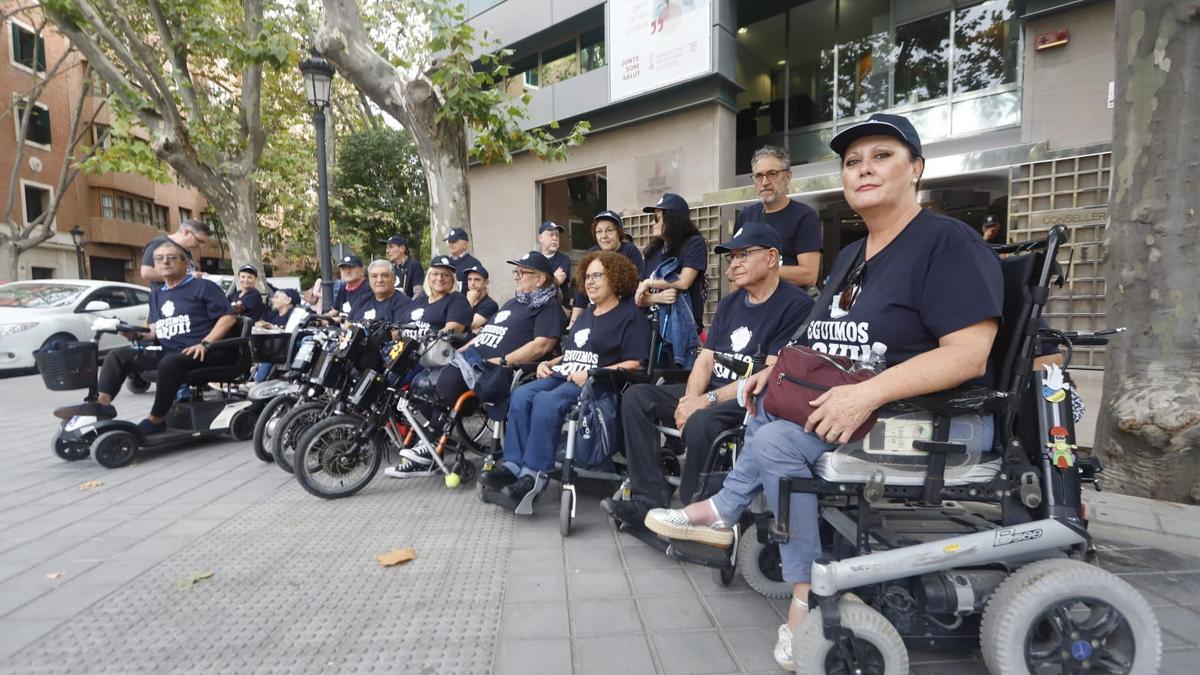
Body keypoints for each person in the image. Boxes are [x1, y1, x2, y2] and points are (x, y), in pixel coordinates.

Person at [642, 112, 1003, 671]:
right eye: (853, 162)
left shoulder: (945, 243)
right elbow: (815, 336)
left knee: (775, 444)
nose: (864, 169)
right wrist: (775, 369)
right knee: (765, 404)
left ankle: (801, 595)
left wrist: (867, 394)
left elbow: (968, 354)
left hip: (922, 417)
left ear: (918, 170)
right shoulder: (852, 256)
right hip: (851, 404)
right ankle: (728, 511)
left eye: (882, 156)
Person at [602, 222, 814, 527]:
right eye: (733, 257)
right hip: (711, 389)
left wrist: (704, 401)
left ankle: (693, 510)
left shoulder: (796, 305)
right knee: (636, 397)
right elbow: (706, 358)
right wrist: (690, 398)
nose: (735, 263)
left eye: (744, 254)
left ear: (771, 257)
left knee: (702, 420)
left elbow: (769, 373)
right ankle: (647, 498)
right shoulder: (730, 303)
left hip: (749, 398)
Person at [482, 251, 649, 507]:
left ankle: (532, 475)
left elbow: (635, 363)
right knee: (521, 394)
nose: (590, 282)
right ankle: (514, 465)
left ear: (615, 278)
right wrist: (549, 362)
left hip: (597, 384)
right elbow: (573, 353)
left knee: (547, 402)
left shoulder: (631, 316)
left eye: (597, 276)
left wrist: (592, 373)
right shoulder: (587, 315)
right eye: (588, 276)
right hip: (565, 374)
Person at [56, 241, 239, 434]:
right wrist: (135, 335)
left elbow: (228, 319)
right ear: (155, 266)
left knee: (170, 362)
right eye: (159, 259)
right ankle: (101, 406)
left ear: (186, 264)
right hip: (171, 352)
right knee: (118, 356)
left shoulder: (203, 287)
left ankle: (156, 419)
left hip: (207, 352)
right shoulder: (156, 294)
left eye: (172, 258)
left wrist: (205, 343)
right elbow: (154, 332)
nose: (165, 262)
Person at [384, 256, 475, 478]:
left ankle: (429, 446)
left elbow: (453, 328)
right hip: (410, 356)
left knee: (419, 384)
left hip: (439, 359)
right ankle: (410, 442)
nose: (440, 278)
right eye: (435, 273)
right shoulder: (419, 301)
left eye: (445, 275)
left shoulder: (457, 301)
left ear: (452, 279)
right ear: (428, 277)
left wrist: (439, 333)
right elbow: (402, 325)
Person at [736, 145, 822, 287]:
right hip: (749, 303)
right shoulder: (745, 216)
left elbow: (809, 275)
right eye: (758, 176)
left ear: (787, 177)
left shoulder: (805, 217)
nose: (764, 182)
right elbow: (736, 269)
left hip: (788, 305)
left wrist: (760, 269)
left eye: (772, 173)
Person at [635, 193, 708, 331]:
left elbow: (684, 282)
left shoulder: (693, 243)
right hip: (652, 329)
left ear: (672, 219)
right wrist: (658, 297)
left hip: (681, 329)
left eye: (656, 218)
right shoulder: (653, 251)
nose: (652, 223)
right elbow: (639, 298)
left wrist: (649, 283)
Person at [568, 210, 645, 329]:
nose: (604, 236)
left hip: (625, 314)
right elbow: (581, 293)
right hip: (597, 312)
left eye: (609, 230)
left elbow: (638, 285)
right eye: (599, 231)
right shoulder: (592, 254)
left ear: (618, 232)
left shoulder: (630, 251)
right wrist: (573, 323)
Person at [251, 288, 310, 382]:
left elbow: (290, 333)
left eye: (277, 297)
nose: (273, 300)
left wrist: (272, 327)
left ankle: (258, 380)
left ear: (288, 300)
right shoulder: (272, 314)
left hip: (284, 347)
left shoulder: (295, 314)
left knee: (272, 349)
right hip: (269, 344)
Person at [140, 219, 212, 284]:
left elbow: (187, 274)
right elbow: (146, 272)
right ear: (186, 232)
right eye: (199, 241)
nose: (200, 246)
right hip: (167, 297)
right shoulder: (159, 244)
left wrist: (197, 275)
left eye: (203, 243)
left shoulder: (187, 250)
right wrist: (185, 277)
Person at [537, 221, 573, 304]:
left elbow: (559, 280)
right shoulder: (534, 259)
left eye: (557, 235)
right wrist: (553, 277)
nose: (555, 238)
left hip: (558, 306)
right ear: (540, 238)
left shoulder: (564, 259)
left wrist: (539, 281)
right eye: (551, 235)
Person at [330, 255, 372, 319]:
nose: (347, 271)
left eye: (351, 267)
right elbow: (335, 311)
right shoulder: (344, 287)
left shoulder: (368, 288)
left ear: (362, 270)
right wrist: (320, 318)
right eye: (343, 268)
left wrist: (335, 319)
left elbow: (358, 317)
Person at [463, 265, 499, 331]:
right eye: (469, 279)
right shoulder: (462, 301)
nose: (472, 283)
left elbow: (465, 326)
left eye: (477, 280)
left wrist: (469, 302)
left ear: (486, 283)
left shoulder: (490, 305)